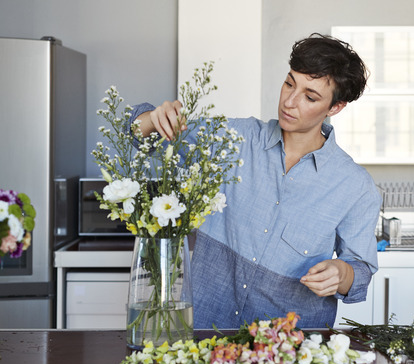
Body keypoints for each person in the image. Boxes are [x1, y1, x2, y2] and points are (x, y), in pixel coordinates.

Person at [129, 33, 381, 329]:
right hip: (204, 339)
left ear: (335, 108)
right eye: (289, 83)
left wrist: (342, 273)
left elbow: (360, 270)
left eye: (310, 96)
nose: (289, 101)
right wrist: (154, 119)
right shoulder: (232, 139)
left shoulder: (355, 186)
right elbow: (140, 134)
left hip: (292, 353)